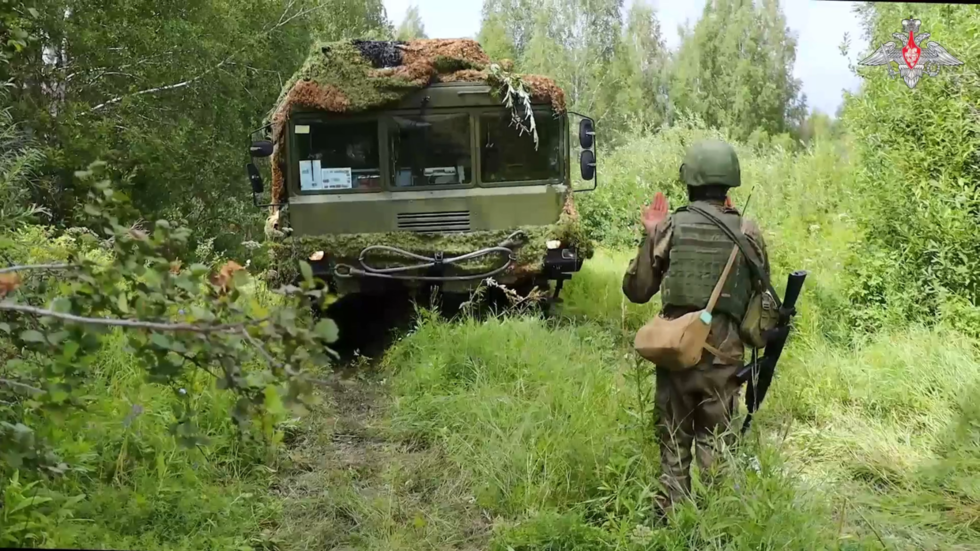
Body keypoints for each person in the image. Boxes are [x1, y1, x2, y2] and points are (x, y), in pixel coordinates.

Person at [622, 139, 770, 517]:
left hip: (677, 351)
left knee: (673, 440)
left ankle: (671, 514)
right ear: (729, 184)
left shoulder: (671, 225)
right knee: (718, 444)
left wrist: (651, 234)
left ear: (689, 181)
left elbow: (637, 291)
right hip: (724, 357)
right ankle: (717, 521)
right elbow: (762, 293)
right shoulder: (748, 230)